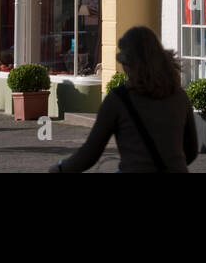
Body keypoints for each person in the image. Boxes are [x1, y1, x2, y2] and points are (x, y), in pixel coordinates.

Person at [52, 25, 198, 173]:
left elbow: (90, 153)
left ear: (129, 64)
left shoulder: (118, 100)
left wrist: (61, 168)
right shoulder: (179, 96)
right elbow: (191, 150)